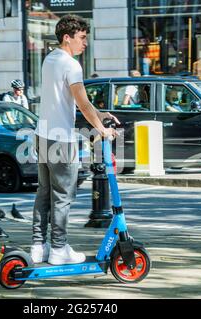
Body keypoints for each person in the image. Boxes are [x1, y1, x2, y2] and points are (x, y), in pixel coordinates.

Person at [31, 14, 119, 265]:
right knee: (62, 196)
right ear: (66, 37)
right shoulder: (71, 65)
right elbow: (81, 101)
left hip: (43, 134)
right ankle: (59, 248)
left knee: (44, 193)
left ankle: (39, 246)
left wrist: (99, 114)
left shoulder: (49, 59)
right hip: (61, 139)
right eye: (81, 38)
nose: (85, 43)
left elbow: (66, 100)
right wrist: (102, 128)